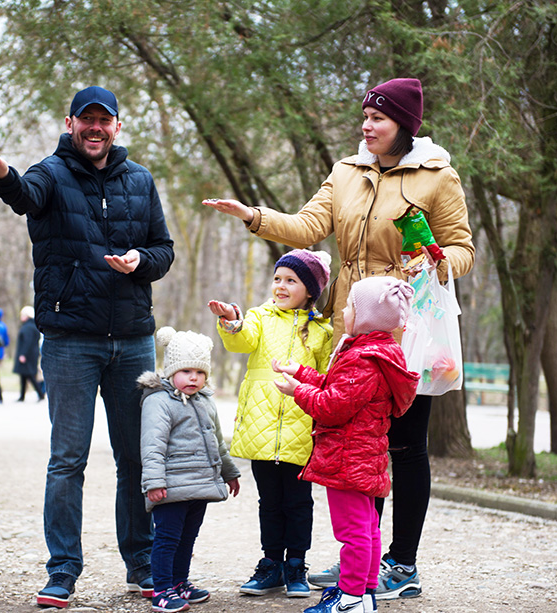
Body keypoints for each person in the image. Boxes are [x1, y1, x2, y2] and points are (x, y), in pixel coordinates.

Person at [203, 77, 475, 600]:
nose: (366, 126)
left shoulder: (439, 177)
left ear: (404, 125)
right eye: (365, 117)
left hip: (405, 328)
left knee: (405, 444)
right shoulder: (346, 173)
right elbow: (308, 226)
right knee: (361, 446)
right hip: (350, 327)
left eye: (378, 119)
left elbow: (462, 249)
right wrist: (254, 217)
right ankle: (364, 560)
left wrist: (438, 262)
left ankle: (401, 563)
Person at [0, 85, 175, 609]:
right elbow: (24, 196)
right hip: (69, 341)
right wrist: (0, 175)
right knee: (67, 460)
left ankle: (142, 565)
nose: (95, 128)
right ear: (70, 123)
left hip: (131, 340)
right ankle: (62, 571)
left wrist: (139, 262)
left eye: (105, 121)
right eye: (87, 120)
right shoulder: (51, 173)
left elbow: (163, 249)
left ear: (117, 128)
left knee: (136, 459)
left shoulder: (139, 179)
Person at [273, 276, 420, 613]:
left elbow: (332, 406)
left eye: (350, 305)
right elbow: (339, 386)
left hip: (346, 458)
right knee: (367, 528)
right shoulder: (376, 352)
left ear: (367, 316)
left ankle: (350, 598)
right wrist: (302, 372)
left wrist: (298, 392)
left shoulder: (362, 358)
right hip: (363, 456)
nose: (343, 309)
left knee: (353, 532)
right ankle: (364, 594)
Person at [207, 248, 333, 599]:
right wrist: (232, 321)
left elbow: (325, 378)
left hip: (300, 429)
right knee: (269, 501)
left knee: (298, 501)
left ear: (310, 289)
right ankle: (271, 563)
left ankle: (296, 564)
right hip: (261, 429)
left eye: (291, 280)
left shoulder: (321, 329)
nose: (280, 285)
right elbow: (240, 340)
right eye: (277, 278)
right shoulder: (260, 317)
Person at [138, 327, 241, 612]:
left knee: (187, 537)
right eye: (186, 371)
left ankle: (179, 582)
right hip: (170, 486)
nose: (193, 377)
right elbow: (152, 445)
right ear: (171, 371)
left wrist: (229, 472)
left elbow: (216, 441)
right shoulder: (159, 402)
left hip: (200, 484)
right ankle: (161, 589)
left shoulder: (205, 401)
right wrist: (154, 481)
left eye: (199, 372)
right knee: (168, 538)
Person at [13, 306, 45, 402]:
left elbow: (27, 342)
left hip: (27, 355)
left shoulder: (28, 327)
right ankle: (22, 395)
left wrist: (23, 354)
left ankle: (40, 393)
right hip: (32, 354)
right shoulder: (33, 326)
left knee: (30, 375)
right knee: (24, 375)